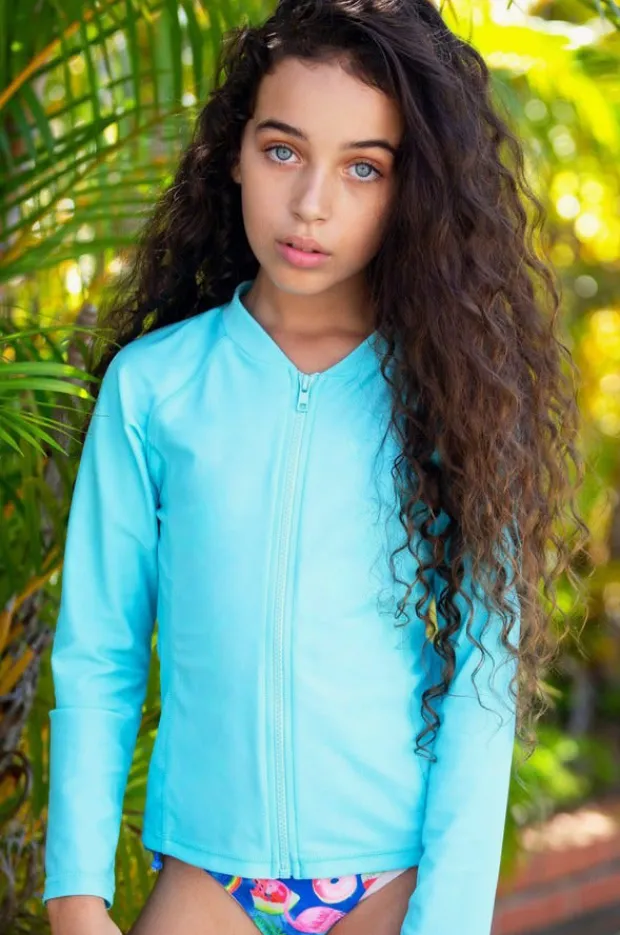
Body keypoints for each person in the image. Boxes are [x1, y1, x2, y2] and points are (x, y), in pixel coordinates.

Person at [42, 1, 587, 934]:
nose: (311, 205)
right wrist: (76, 893)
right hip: (207, 879)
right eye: (283, 151)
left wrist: (448, 919)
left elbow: (482, 676)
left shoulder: (454, 395)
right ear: (234, 154)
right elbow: (100, 650)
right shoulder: (155, 387)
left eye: (363, 167)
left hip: (390, 880)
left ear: (412, 189)